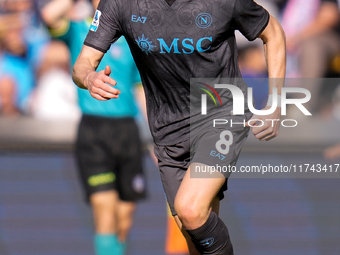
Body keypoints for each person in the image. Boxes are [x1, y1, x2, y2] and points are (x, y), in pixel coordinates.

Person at [72, 0, 286, 254]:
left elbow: (273, 33)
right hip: (167, 130)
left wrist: (276, 103)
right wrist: (89, 77)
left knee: (190, 209)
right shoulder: (120, 4)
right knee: (193, 236)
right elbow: (82, 64)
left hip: (220, 113)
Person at [41, 0, 147, 254]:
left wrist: (156, 136)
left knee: (124, 217)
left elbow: (138, 88)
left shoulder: (131, 37)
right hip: (94, 131)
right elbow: (48, 16)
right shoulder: (79, 28)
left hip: (128, 131)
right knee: (105, 209)